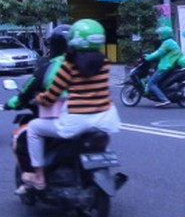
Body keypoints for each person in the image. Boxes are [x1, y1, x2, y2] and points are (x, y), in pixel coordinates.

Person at [24, 18, 120, 191]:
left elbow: (52, 96)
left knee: (33, 128)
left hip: (76, 121)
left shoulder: (68, 66)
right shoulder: (105, 64)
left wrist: (39, 99)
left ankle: (38, 175)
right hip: (106, 119)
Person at [5, 25, 70, 186]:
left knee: (25, 134)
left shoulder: (49, 68)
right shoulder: (88, 65)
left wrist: (13, 103)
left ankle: (37, 175)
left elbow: (26, 92)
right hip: (93, 120)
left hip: (62, 120)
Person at [140, 23, 185, 105]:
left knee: (151, 83)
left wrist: (148, 57)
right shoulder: (172, 42)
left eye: (160, 34)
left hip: (164, 67)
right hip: (171, 65)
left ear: (164, 34)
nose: (159, 36)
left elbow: (158, 53)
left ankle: (164, 99)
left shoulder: (167, 43)